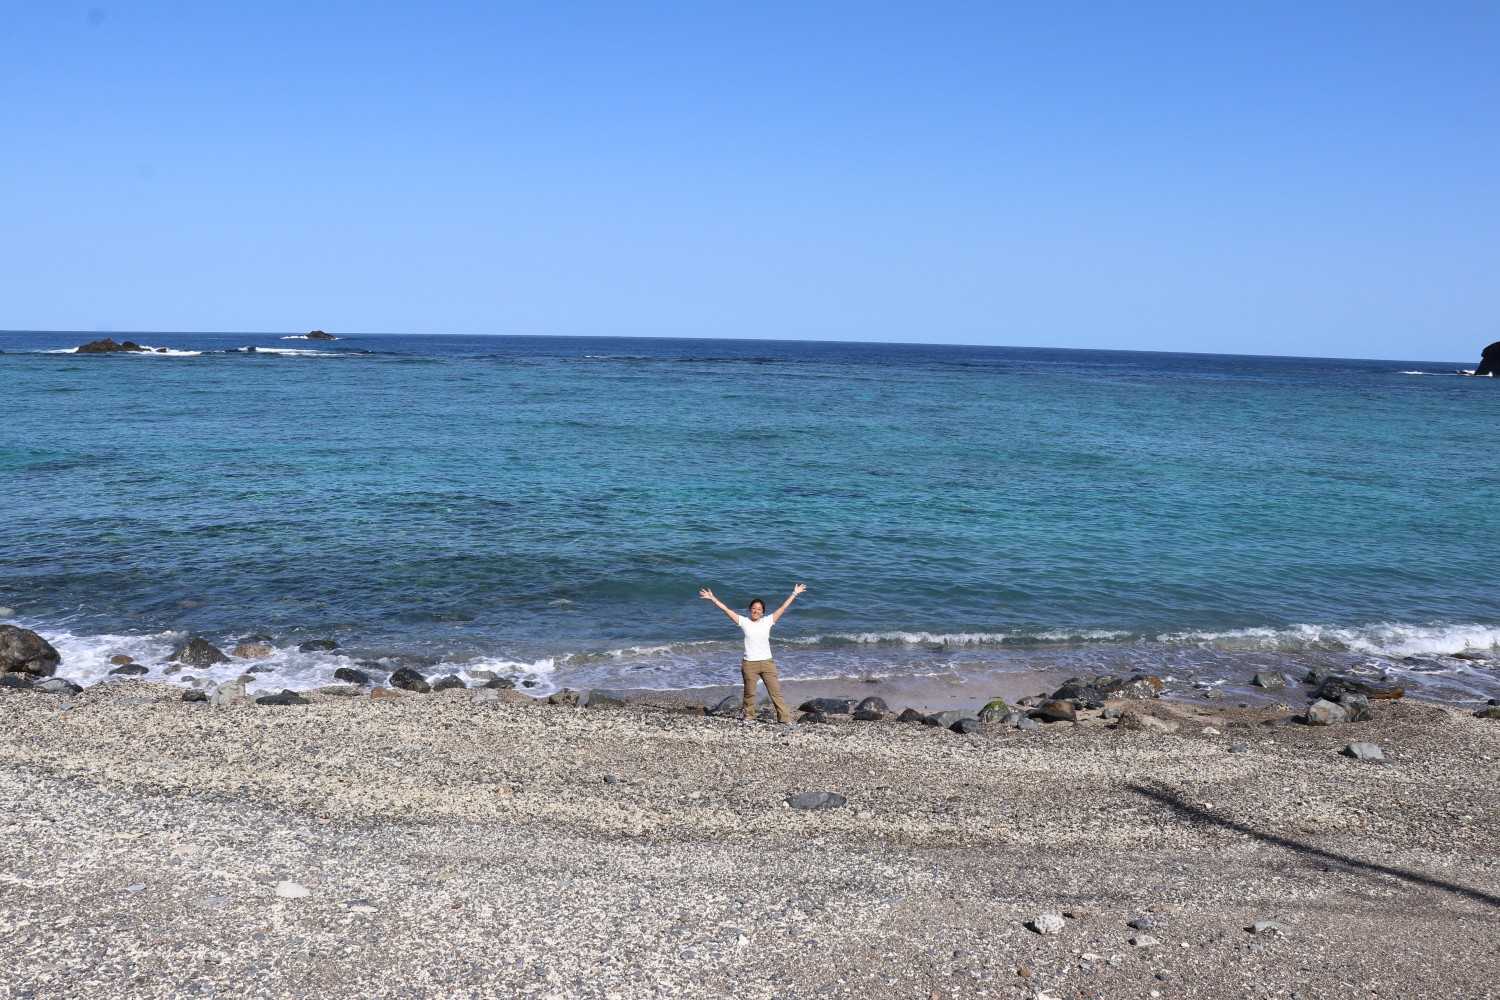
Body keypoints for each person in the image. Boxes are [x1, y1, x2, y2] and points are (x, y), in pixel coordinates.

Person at [698, 583, 807, 724]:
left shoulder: (768, 621)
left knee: (775, 693)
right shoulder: (744, 622)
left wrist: (794, 593)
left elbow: (783, 608)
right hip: (749, 664)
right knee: (749, 693)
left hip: (767, 663)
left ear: (763, 612)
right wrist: (713, 598)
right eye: (754, 608)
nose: (756, 611)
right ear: (750, 610)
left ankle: (784, 718)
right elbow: (726, 610)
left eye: (759, 609)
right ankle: (749, 716)